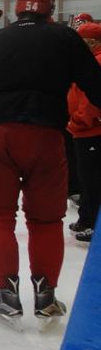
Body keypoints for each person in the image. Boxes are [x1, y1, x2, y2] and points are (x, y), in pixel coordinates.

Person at [0, 0, 101, 331]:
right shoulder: (66, 38)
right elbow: (96, 85)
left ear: (17, 6)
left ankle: (7, 294)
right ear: (51, 9)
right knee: (46, 220)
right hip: (47, 139)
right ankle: (46, 295)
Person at [66, 22, 101, 244]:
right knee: (88, 179)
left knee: (92, 181)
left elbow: (90, 102)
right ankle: (86, 220)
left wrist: (76, 122)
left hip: (90, 131)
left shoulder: (97, 62)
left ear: (93, 42)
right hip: (86, 131)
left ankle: (93, 224)